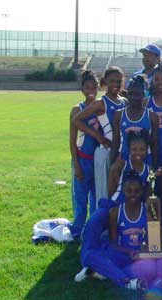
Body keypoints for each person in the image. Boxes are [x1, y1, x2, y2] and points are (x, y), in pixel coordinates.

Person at [75, 172, 155, 290]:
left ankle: (102, 272)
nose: (133, 194)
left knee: (150, 267)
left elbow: (152, 242)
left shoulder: (148, 211)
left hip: (140, 255)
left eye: (137, 191)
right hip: (121, 253)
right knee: (89, 255)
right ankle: (127, 282)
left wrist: (141, 254)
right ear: (123, 191)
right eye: (129, 190)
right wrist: (128, 252)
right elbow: (114, 243)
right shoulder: (115, 212)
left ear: (142, 192)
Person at [73, 66, 127, 201]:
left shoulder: (124, 101)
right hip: (105, 152)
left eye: (118, 81)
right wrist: (98, 136)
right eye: (112, 81)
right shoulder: (100, 103)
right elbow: (77, 120)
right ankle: (100, 222)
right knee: (103, 193)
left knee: (119, 190)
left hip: (122, 152)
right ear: (105, 82)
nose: (115, 84)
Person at [68, 70, 100, 239]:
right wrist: (77, 165)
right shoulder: (76, 110)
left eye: (94, 87)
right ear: (82, 89)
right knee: (80, 200)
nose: (91, 91)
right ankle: (77, 231)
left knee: (96, 199)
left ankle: (92, 232)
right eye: (87, 87)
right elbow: (72, 141)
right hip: (82, 160)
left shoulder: (100, 108)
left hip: (98, 163)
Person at [111, 75, 159, 167]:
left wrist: (154, 166)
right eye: (131, 94)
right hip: (124, 161)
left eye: (137, 94)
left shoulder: (152, 116)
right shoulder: (119, 115)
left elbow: (155, 145)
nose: (134, 97)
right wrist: (112, 164)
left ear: (143, 94)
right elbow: (115, 143)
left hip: (146, 162)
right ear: (127, 94)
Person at [108, 130, 151, 205]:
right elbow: (111, 188)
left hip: (135, 207)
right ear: (129, 150)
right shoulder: (122, 165)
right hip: (116, 203)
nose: (138, 153)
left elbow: (147, 195)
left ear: (147, 150)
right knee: (98, 215)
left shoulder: (149, 170)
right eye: (134, 149)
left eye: (142, 150)